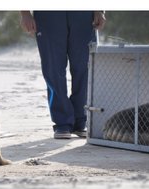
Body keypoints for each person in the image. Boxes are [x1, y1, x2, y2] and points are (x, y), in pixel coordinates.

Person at [20, 11, 106, 139]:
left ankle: (80, 120)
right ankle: (62, 122)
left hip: (83, 13)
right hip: (48, 13)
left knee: (85, 67)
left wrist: (100, 9)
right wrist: (25, 13)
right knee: (53, 69)